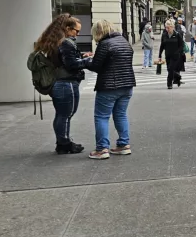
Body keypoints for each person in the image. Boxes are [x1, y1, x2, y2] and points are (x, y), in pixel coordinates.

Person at [35, 14, 90, 154]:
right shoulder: (65, 42)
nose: (77, 34)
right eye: (76, 31)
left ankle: (63, 141)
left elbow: (62, 60)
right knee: (65, 115)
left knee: (62, 115)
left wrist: (81, 56)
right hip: (67, 84)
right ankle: (64, 144)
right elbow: (71, 64)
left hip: (58, 84)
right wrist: (89, 61)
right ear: (67, 28)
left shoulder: (54, 41)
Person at [85, 20, 135, 160]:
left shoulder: (104, 44)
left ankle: (102, 149)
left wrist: (85, 62)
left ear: (99, 32)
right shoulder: (124, 41)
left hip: (109, 86)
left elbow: (96, 66)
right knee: (121, 115)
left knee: (101, 117)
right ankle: (123, 145)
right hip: (127, 85)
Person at [159, 19, 185, 89]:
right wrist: (160, 55)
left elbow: (181, 45)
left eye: (168, 27)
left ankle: (169, 84)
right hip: (167, 55)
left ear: (172, 27)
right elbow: (162, 45)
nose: (167, 29)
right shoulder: (164, 35)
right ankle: (177, 77)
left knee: (170, 69)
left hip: (175, 56)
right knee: (169, 69)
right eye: (166, 27)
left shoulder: (177, 34)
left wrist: (178, 52)